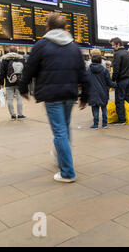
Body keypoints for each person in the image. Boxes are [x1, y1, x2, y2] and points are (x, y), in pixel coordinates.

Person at [19, 13, 88, 183]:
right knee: (64, 128)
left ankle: (67, 173)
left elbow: (29, 69)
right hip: (69, 94)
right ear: (65, 28)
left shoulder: (42, 45)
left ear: (48, 27)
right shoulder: (73, 47)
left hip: (51, 95)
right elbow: (83, 73)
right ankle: (61, 160)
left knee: (59, 132)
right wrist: (85, 95)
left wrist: (23, 88)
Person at [87, 54, 116, 129]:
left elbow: (86, 81)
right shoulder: (104, 70)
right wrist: (116, 84)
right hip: (103, 92)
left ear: (92, 61)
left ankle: (95, 124)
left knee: (95, 109)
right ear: (100, 61)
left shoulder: (89, 70)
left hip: (92, 93)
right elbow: (109, 82)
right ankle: (104, 124)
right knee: (104, 108)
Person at [0, 46, 26, 120]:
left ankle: (13, 115)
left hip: (9, 82)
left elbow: (2, 73)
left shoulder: (5, 59)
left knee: (10, 99)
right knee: (19, 98)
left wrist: (1, 83)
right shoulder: (21, 59)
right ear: (17, 51)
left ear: (9, 51)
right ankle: (20, 115)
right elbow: (25, 71)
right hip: (19, 82)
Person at [111, 37, 129, 126]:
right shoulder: (128, 53)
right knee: (127, 99)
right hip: (128, 80)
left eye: (113, 45)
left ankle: (121, 120)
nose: (112, 47)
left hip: (121, 80)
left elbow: (116, 70)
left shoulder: (117, 54)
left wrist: (112, 81)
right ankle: (128, 117)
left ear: (118, 44)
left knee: (119, 100)